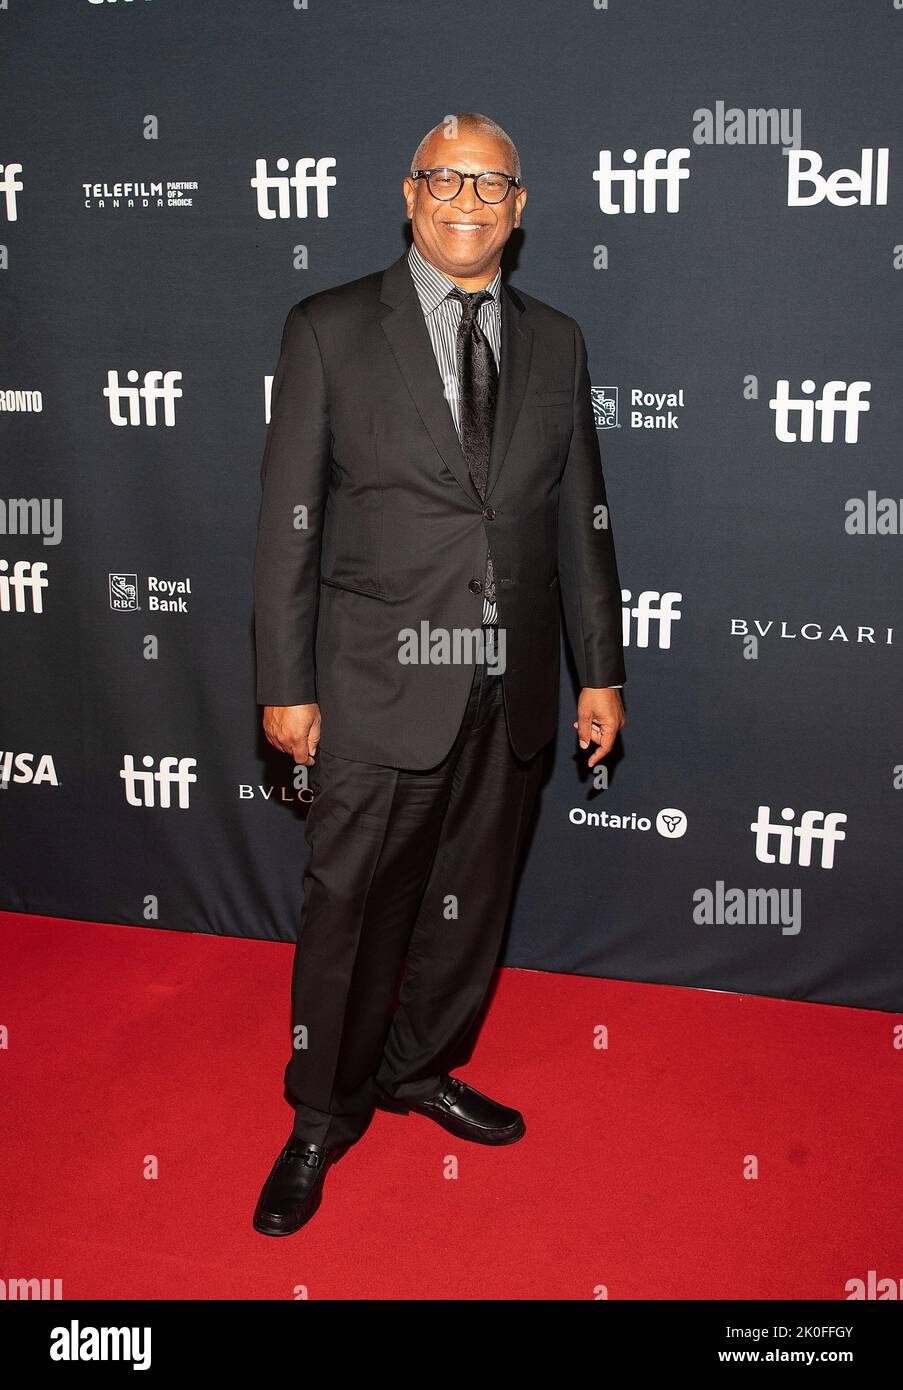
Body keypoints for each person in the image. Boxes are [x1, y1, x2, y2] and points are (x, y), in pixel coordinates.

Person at [251, 113, 626, 1236]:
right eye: (446, 178)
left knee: (472, 906)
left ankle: (421, 1068)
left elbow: (580, 521)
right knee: (352, 911)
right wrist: (287, 680)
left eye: (492, 183)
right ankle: (321, 1115)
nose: (468, 198)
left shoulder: (557, 340)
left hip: (506, 690)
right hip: (372, 686)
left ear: (521, 209)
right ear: (410, 194)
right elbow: (286, 529)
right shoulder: (327, 329)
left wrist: (598, 674)